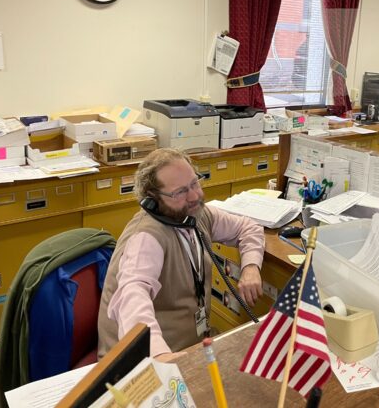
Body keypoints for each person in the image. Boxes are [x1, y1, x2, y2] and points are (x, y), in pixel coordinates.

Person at [97, 148, 265, 362]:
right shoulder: (146, 238)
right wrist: (159, 354)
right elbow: (131, 296)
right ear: (152, 199)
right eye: (180, 192)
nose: (195, 196)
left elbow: (248, 228)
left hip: (190, 350)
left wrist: (251, 267)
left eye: (195, 183)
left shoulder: (193, 215)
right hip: (141, 363)